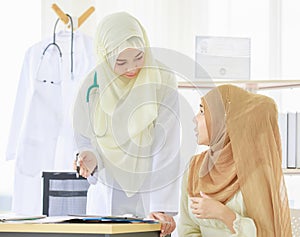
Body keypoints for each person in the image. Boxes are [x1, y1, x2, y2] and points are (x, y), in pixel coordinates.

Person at [72, 12, 181, 236]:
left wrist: (160, 206)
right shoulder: (91, 86)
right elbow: (85, 137)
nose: (132, 68)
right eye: (121, 62)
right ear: (105, 57)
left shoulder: (162, 79)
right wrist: (90, 157)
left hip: (149, 193)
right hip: (107, 191)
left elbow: (167, 145)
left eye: (139, 57)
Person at [178, 84, 292, 236]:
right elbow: (187, 228)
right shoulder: (194, 167)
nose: (195, 119)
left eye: (202, 112)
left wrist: (224, 214)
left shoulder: (257, 172)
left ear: (223, 121)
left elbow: (268, 233)